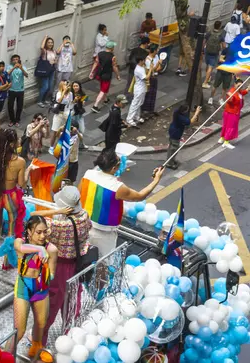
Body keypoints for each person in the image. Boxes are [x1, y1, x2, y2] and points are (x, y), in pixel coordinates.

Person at [79, 149, 165, 257]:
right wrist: (156, 180)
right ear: (114, 168)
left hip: (83, 226)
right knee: (103, 262)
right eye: (119, 162)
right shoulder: (117, 187)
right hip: (104, 234)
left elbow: (79, 195)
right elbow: (140, 196)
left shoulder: (88, 174)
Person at [41, 186, 91, 345]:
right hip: (76, 264)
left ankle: (40, 338)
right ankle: (69, 336)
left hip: (58, 265)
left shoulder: (57, 224)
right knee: (71, 299)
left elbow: (37, 223)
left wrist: (49, 213)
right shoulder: (84, 215)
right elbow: (88, 229)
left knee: (52, 301)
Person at [8, 216, 58, 358]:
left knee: (41, 323)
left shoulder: (52, 250)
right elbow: (20, 248)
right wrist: (39, 251)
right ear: (29, 232)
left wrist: (46, 270)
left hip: (41, 289)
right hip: (23, 287)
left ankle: (36, 347)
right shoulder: (20, 242)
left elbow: (53, 274)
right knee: (19, 330)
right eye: (38, 232)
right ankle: (5, 356)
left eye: (45, 232)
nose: (42, 236)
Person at [0, 129, 27, 265]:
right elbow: (21, 184)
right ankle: (7, 262)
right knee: (12, 228)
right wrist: (29, 171)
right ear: (11, 144)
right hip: (11, 197)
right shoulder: (20, 161)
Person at [165, 105, 201, 169]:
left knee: (171, 146)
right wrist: (197, 112)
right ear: (184, 111)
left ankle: (170, 160)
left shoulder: (176, 112)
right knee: (174, 149)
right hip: (176, 133)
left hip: (172, 130)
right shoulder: (181, 118)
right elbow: (191, 121)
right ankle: (169, 163)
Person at [90, 41, 120, 113]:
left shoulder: (100, 54)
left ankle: (105, 99)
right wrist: (118, 75)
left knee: (103, 87)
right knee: (103, 90)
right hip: (107, 75)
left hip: (100, 74)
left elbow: (96, 63)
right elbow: (114, 67)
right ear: (112, 48)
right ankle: (95, 106)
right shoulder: (113, 57)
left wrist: (92, 72)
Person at [218, 78, 248, 149]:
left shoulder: (239, 91)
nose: (240, 87)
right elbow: (230, 101)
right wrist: (229, 97)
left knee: (226, 126)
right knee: (230, 127)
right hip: (232, 113)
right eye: (239, 85)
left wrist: (248, 89)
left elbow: (243, 92)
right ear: (235, 84)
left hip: (232, 112)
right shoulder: (232, 92)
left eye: (241, 85)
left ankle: (222, 138)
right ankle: (226, 142)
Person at [49, 80, 73, 148]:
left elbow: (70, 103)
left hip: (66, 112)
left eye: (67, 85)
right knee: (55, 131)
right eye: (65, 85)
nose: (67, 86)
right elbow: (59, 100)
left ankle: (61, 145)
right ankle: (51, 146)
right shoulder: (59, 93)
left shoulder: (70, 93)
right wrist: (64, 92)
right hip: (59, 113)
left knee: (66, 129)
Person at [140, 44, 162, 118]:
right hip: (150, 78)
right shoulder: (148, 60)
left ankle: (151, 110)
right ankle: (145, 110)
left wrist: (157, 66)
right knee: (148, 93)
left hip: (155, 76)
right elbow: (152, 70)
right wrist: (158, 64)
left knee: (153, 93)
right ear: (154, 51)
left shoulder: (156, 56)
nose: (157, 52)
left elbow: (159, 68)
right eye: (156, 50)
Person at [203, 21, 225, 89]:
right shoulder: (221, 35)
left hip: (207, 51)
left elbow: (204, 41)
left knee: (207, 64)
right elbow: (224, 45)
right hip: (214, 53)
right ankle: (205, 82)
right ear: (220, 26)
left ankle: (208, 77)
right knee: (210, 67)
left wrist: (203, 49)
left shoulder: (209, 33)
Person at [126, 56, 148, 127]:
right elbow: (146, 78)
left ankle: (136, 116)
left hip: (142, 88)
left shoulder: (142, 67)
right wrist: (150, 69)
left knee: (139, 103)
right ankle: (129, 119)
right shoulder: (138, 69)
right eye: (144, 60)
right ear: (141, 61)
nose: (145, 61)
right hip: (139, 89)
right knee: (135, 103)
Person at [7, 54, 28, 127]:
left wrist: (21, 68)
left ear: (19, 60)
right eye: (14, 59)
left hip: (20, 90)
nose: (16, 61)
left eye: (17, 59)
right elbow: (7, 74)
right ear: (12, 61)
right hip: (11, 89)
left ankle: (17, 120)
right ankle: (12, 120)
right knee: (10, 106)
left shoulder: (23, 67)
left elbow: (26, 75)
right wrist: (13, 68)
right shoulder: (9, 67)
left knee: (19, 106)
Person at [37, 36, 57, 107]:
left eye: (51, 42)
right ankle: (39, 101)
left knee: (50, 87)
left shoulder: (54, 51)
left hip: (51, 70)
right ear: (46, 43)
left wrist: (54, 61)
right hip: (45, 71)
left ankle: (45, 100)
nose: (50, 44)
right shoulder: (45, 51)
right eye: (48, 42)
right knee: (45, 86)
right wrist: (45, 37)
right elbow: (41, 47)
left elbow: (55, 59)